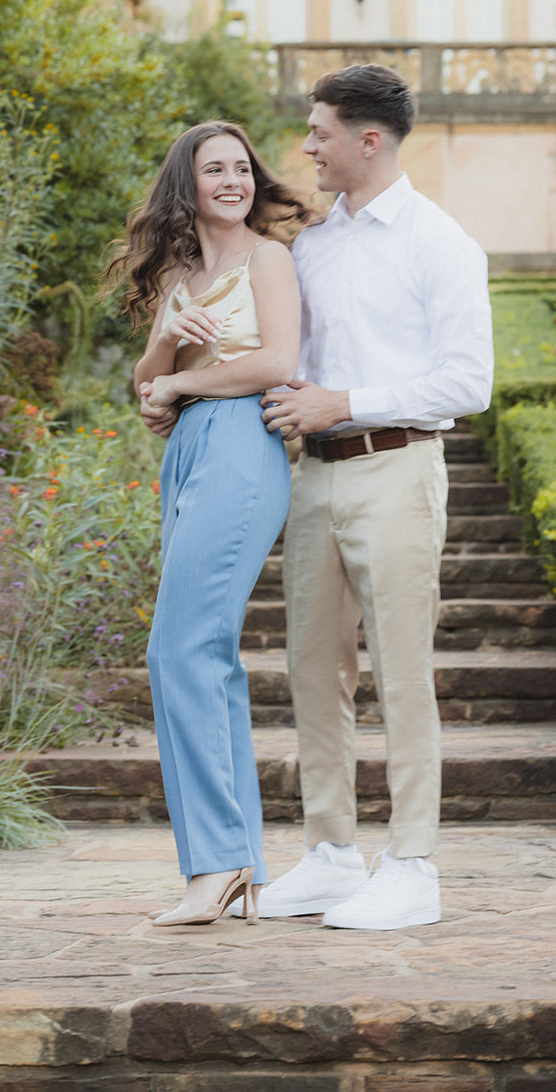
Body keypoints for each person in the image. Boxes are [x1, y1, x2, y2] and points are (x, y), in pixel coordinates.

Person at [253, 63, 493, 932]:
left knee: (401, 671)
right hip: (312, 472)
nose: (306, 147)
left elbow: (468, 380)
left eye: (318, 132)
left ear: (367, 139)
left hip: (397, 467)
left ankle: (413, 864)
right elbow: (283, 358)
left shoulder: (440, 242)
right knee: (314, 670)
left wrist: (346, 403)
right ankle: (329, 854)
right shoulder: (310, 245)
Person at [110, 121, 306, 927]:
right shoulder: (180, 274)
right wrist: (162, 350)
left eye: (240, 167)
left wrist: (185, 389)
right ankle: (243, 869)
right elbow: (145, 383)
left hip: (239, 449)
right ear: (185, 186)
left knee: (177, 648)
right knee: (207, 653)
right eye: (213, 169)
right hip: (187, 454)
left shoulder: (269, 258)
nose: (231, 180)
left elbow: (277, 363)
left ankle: (216, 865)